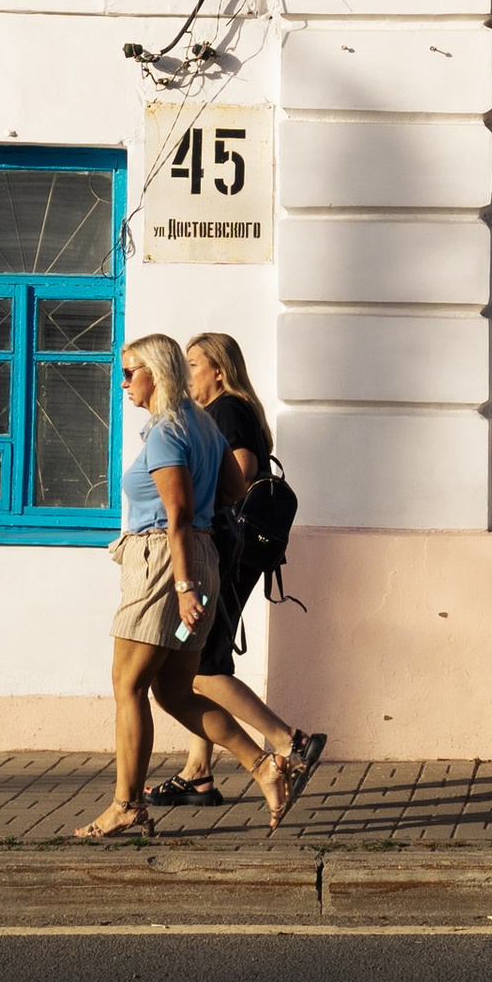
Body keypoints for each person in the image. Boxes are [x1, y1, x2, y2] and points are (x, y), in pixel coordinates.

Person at [75, 333, 264, 841]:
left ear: (155, 373)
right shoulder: (203, 423)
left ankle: (127, 805)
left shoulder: (165, 432)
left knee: (128, 686)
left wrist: (181, 587)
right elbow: (234, 488)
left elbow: (176, 514)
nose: (123, 382)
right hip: (198, 556)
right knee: (177, 690)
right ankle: (264, 765)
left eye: (130, 372)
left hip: (163, 567)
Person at [153, 329, 324, 830]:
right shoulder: (233, 410)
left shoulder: (227, 411)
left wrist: (198, 515)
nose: (187, 375)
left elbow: (242, 473)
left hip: (225, 551)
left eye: (193, 365)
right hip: (236, 550)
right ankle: (198, 773)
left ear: (218, 371)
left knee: (198, 666)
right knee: (206, 656)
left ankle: (290, 741)